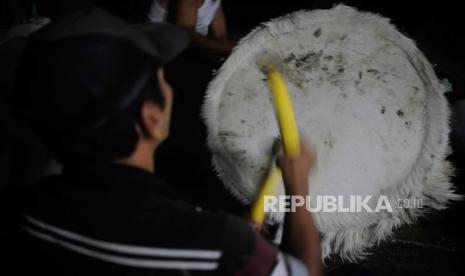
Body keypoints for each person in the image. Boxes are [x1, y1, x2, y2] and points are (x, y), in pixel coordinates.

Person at [11, 8, 322, 275]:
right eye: (161, 76)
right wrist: (298, 190)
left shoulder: (23, 208)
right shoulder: (220, 244)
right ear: (151, 118)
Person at [148, 0, 235, 56]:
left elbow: (218, 24)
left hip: (187, 48)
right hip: (160, 50)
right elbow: (185, 32)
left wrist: (226, 48)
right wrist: (226, 47)